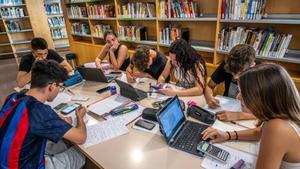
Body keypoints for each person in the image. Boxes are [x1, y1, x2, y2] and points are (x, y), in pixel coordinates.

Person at [202, 63, 300, 169]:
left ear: (262, 97)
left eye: (243, 93)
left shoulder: (277, 128)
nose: (238, 97)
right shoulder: (278, 118)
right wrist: (227, 135)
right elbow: (259, 132)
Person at [0, 60, 86, 169]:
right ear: (52, 86)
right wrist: (79, 116)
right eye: (60, 87)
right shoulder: (39, 111)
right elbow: (80, 138)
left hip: (6, 161)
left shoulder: (14, 97)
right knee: (80, 154)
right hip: (25, 166)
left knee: (62, 144)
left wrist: (55, 121)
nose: (60, 90)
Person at [205, 44, 260, 121]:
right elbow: (209, 86)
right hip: (228, 107)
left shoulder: (262, 73)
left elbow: (270, 112)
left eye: (240, 73)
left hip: (250, 116)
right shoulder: (228, 64)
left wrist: (238, 116)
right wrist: (210, 98)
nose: (235, 77)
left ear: (252, 66)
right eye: (232, 72)